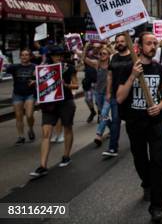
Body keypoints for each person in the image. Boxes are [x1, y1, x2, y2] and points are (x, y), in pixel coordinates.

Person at [116, 32, 162, 223]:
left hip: (155, 124)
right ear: (139, 47)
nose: (153, 46)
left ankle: (157, 207)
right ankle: (146, 182)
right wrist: (133, 76)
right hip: (135, 123)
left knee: (158, 163)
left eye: (155, 43)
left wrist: (161, 106)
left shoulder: (158, 68)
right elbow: (119, 97)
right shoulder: (127, 68)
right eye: (149, 43)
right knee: (140, 160)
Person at [29, 46, 78, 178]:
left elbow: (76, 85)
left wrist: (66, 85)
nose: (58, 57)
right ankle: (43, 165)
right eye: (55, 55)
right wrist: (35, 83)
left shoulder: (69, 67)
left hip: (66, 102)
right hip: (49, 104)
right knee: (46, 133)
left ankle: (66, 156)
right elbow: (41, 83)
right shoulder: (44, 68)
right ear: (51, 56)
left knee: (67, 128)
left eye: (60, 54)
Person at [105, 33, 133, 157]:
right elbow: (110, 76)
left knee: (131, 121)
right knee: (115, 120)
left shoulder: (133, 57)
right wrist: (108, 92)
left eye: (122, 41)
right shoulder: (113, 57)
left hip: (130, 95)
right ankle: (112, 148)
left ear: (127, 42)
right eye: (118, 42)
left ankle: (135, 143)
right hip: (116, 95)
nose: (120, 43)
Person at [83, 44, 112, 147]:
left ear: (109, 55)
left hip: (109, 94)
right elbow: (84, 59)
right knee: (103, 115)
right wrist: (86, 47)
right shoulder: (97, 64)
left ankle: (98, 134)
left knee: (103, 113)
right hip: (98, 93)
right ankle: (113, 129)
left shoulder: (112, 64)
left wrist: (108, 44)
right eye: (100, 53)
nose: (102, 55)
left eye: (104, 53)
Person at [7, 49, 36, 144]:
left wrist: (35, 81)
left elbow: (42, 78)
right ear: (20, 57)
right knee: (18, 116)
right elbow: (4, 69)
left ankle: (31, 129)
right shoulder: (14, 67)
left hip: (30, 94)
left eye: (26, 55)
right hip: (17, 94)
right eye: (22, 55)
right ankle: (20, 136)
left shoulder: (34, 67)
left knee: (29, 115)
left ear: (30, 56)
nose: (24, 57)